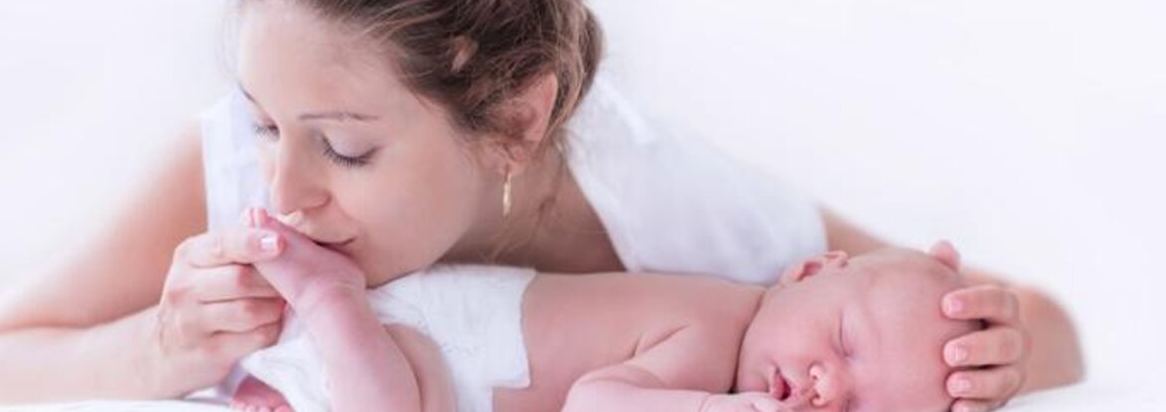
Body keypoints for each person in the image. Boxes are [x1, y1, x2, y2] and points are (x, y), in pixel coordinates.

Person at [0, 0, 1083, 411]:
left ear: (514, 120)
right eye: (262, 122)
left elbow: (1048, 332)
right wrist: (160, 349)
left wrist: (1006, 345)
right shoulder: (236, 171)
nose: (281, 189)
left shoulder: (665, 207)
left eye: (344, 148)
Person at [227, 208, 978, 412]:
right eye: (844, 343)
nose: (830, 389)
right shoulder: (717, 335)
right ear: (809, 271)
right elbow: (595, 403)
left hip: (426, 372)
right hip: (425, 339)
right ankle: (327, 296)